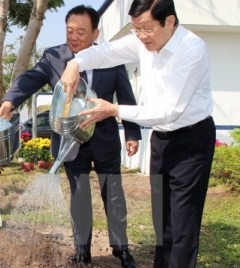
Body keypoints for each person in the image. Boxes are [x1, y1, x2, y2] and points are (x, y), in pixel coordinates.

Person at [60, 0, 215, 267]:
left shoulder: (192, 49)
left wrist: (114, 110)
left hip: (192, 141)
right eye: (136, 29)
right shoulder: (142, 40)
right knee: (162, 220)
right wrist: (75, 64)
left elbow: (169, 111)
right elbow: (105, 53)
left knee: (182, 224)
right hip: (161, 140)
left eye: (146, 29)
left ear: (169, 21)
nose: (141, 37)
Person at [0, 5, 140, 267]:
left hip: (105, 139)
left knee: (114, 197)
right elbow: (31, 78)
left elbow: (126, 95)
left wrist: (132, 133)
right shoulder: (54, 57)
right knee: (80, 195)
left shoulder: (112, 57)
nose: (74, 37)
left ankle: (121, 249)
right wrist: (10, 100)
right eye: (70, 30)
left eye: (81, 32)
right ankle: (82, 249)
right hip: (70, 142)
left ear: (95, 32)